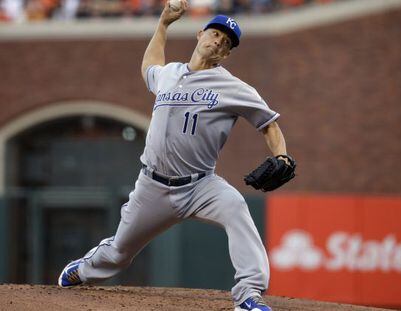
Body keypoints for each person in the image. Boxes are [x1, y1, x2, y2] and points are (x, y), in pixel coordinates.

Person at [58, 2, 294, 310]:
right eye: (215, 34)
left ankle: (249, 294)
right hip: (152, 186)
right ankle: (83, 269)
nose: (219, 42)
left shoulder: (234, 88)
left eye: (226, 42)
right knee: (119, 253)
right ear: (199, 35)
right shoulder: (170, 74)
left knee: (236, 208)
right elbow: (149, 68)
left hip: (200, 186)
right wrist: (163, 25)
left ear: (228, 53)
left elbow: (269, 124)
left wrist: (283, 157)